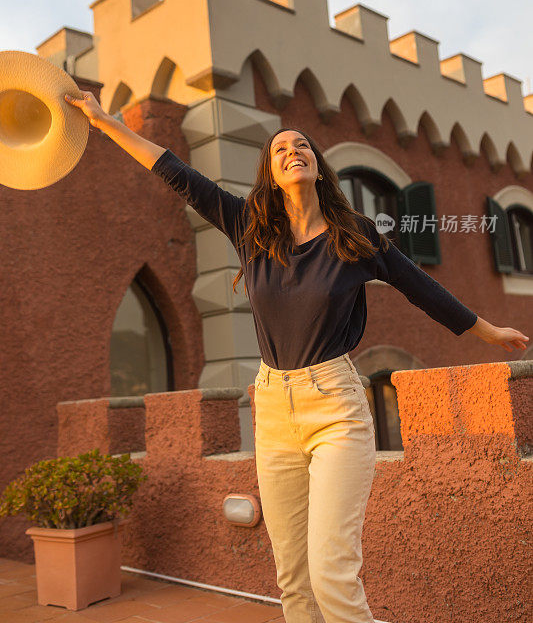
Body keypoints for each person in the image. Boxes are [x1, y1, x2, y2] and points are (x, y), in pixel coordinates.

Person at [65, 91, 529, 623]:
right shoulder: (250, 229)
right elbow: (173, 169)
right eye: (280, 147)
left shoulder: (355, 236)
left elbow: (420, 287)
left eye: (302, 144)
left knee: (332, 573)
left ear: (318, 167)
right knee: (293, 577)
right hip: (274, 410)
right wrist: (104, 123)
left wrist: (486, 330)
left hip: (335, 408)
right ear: (271, 171)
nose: (293, 149)